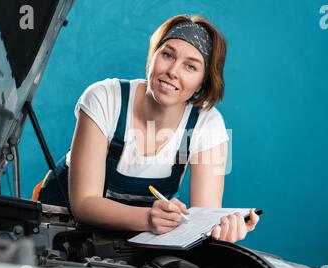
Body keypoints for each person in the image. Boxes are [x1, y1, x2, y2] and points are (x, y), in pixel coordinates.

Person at [38, 14, 260, 243]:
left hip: (126, 244)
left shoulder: (206, 124)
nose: (173, 71)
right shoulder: (106, 98)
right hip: (55, 231)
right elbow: (84, 203)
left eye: (190, 66)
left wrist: (220, 230)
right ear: (152, 56)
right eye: (167, 54)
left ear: (202, 83)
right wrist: (148, 219)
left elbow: (204, 216)